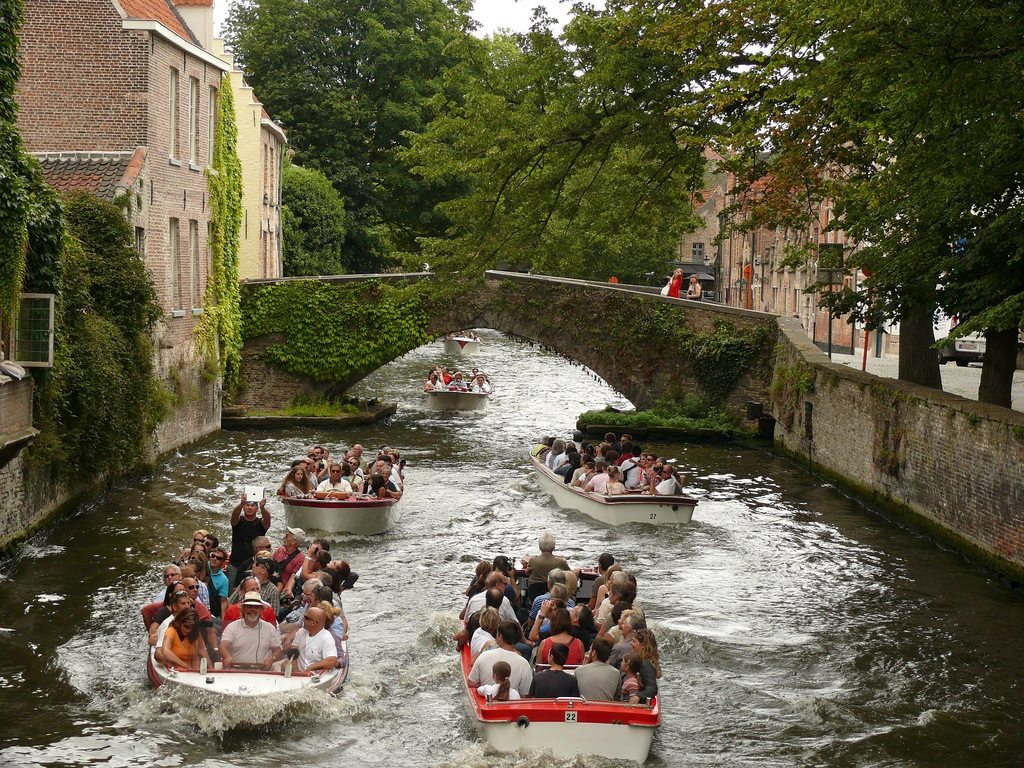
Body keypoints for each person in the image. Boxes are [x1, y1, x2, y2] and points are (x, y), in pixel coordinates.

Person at [468, 621, 534, 698]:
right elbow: (524, 694)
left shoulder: (484, 655)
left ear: (500, 636)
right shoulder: (524, 663)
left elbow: (471, 683)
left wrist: (485, 685)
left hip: (487, 702)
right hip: (511, 705)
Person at [219, 591, 284, 669]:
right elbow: (223, 646)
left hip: (261, 674)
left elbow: (278, 650)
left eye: (256, 607)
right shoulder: (232, 627)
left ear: (261, 610)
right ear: (243, 609)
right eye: (249, 607)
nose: (253, 610)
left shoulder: (269, 628)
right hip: (236, 673)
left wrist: (272, 658)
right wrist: (227, 657)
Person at [229, 490, 271, 588]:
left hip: (253, 565)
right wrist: (241, 504)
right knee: (231, 590)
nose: (250, 507)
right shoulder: (238, 522)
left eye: (252, 506)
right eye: (247, 505)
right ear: (244, 508)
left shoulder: (261, 523)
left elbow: (268, 520)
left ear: (256, 509)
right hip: (235, 563)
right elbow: (234, 516)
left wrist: (263, 508)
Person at [285, 606, 338, 673]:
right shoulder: (300, 632)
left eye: (306, 618)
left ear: (314, 623)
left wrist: (312, 667)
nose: (303, 620)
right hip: (298, 674)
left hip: (314, 677)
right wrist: (297, 673)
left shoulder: (327, 638)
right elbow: (293, 653)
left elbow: (332, 661)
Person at [524, 532, 570, 603]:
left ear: (539, 547)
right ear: (553, 547)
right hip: (556, 598)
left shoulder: (533, 561)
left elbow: (527, 572)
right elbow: (570, 575)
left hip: (533, 597)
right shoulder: (561, 562)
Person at [272, 527, 307, 600]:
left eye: (287, 536)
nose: (284, 537)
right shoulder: (280, 550)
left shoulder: (301, 558)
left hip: (283, 590)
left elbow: (294, 577)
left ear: (294, 542)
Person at [207, 547, 230, 617]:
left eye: (218, 558)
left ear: (223, 562)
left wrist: (223, 621)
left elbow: (223, 601)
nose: (215, 559)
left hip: (211, 610)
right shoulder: (202, 567)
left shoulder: (224, 579)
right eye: (213, 556)